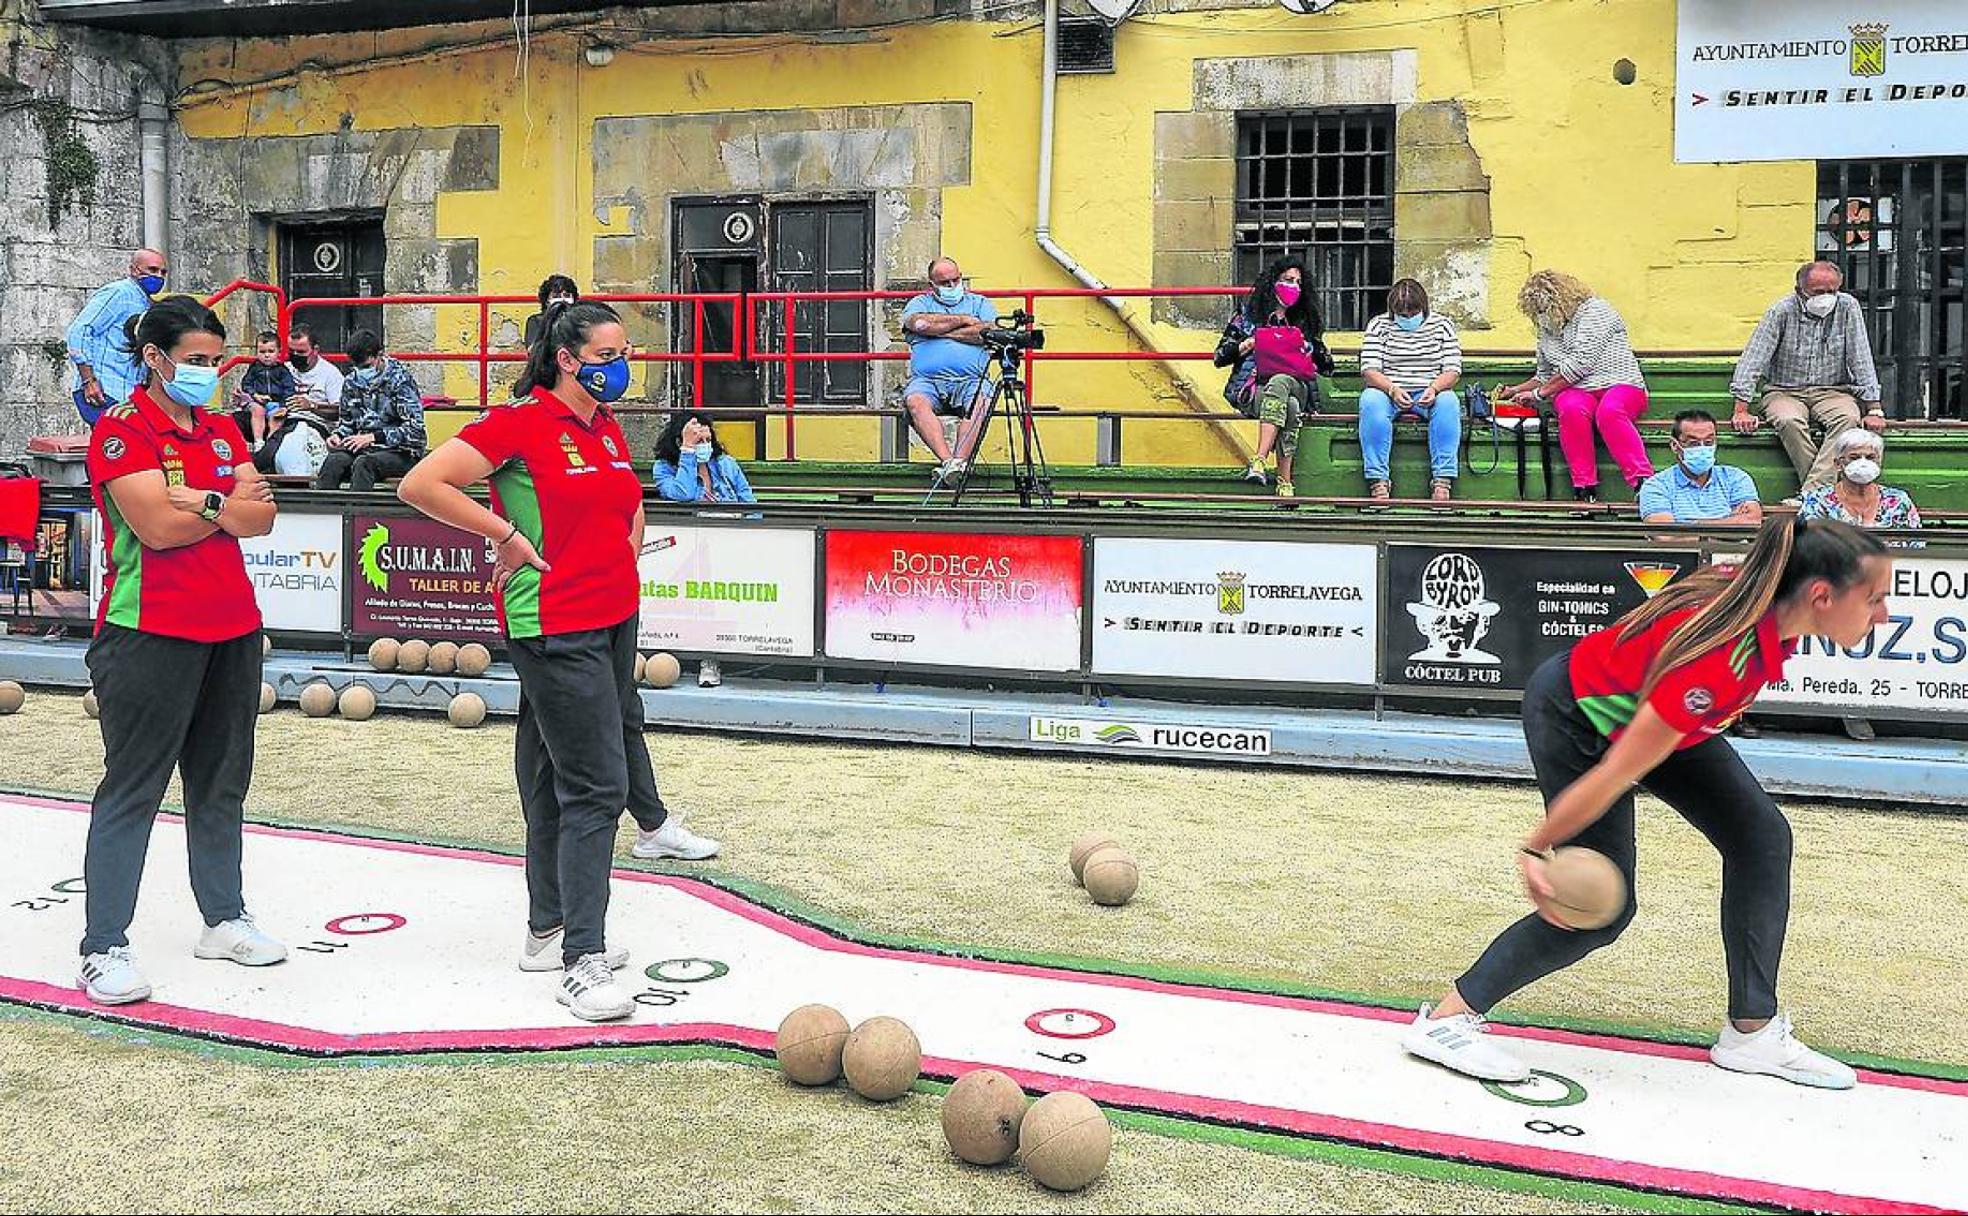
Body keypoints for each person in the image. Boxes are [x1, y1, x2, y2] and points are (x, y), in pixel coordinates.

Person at [1401, 516, 1890, 1091]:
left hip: (1657, 715)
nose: (1884, 615)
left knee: (1761, 838)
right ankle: (1447, 1020)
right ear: (1821, 595)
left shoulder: (1766, 607)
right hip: (1579, 717)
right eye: (1876, 600)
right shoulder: (1719, 659)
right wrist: (1537, 846)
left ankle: (1751, 1033)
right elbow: (1616, 773)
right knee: (1602, 909)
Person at [397, 301, 716, 1023]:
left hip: (611, 616)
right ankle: (582, 960)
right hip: (555, 622)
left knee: (548, 771)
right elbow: (422, 484)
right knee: (597, 786)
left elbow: (626, 508)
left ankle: (548, 932)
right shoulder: (520, 423)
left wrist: (626, 544)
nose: (620, 363)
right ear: (568, 358)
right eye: (607, 352)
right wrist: (503, 533)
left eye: (624, 350)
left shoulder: (603, 429)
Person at [78, 295, 283, 1006]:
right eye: (195, 360)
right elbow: (156, 530)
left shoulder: (225, 429)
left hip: (231, 629)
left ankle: (222, 917)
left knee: (220, 783)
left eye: (214, 360)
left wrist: (202, 499)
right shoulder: (120, 429)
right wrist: (219, 505)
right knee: (134, 789)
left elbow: (261, 517)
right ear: (155, 359)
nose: (209, 372)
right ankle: (103, 946)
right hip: (148, 633)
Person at [1730, 261, 1886, 495]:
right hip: (1784, 390)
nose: (1826, 297)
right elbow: (1755, 357)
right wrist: (1741, 408)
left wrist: (1874, 408)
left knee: (1848, 419)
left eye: (1832, 291)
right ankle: (1825, 493)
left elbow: (1860, 355)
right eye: (1818, 292)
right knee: (1789, 421)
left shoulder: (1848, 307)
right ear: (1799, 290)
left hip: (1833, 390)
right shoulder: (1780, 311)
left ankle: (1813, 494)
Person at [1499, 271, 1653, 503]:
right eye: (1536, 311)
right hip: (1578, 391)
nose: (1541, 316)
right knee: (1570, 409)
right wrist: (1515, 390)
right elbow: (1544, 374)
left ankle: (1643, 481)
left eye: (1544, 308)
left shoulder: (1596, 311)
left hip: (1620, 383)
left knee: (1610, 412)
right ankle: (1584, 487)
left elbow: (1581, 363)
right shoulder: (1546, 330)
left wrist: (1538, 394)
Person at [651, 409, 758, 690]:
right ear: (680, 441)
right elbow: (683, 494)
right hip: (690, 547)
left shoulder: (726, 464)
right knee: (697, 602)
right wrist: (688, 454)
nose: (704, 445)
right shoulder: (664, 468)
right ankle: (701, 657)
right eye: (696, 440)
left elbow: (750, 504)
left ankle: (718, 656)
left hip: (731, 541)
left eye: (706, 438)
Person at [1213, 255, 1334, 499]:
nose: (1294, 287)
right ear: (1273, 282)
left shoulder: (1303, 320)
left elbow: (1327, 367)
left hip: (1297, 385)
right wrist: (1247, 344)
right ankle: (1284, 482)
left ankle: (1259, 460)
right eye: (1288, 280)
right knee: (1288, 405)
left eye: (1298, 283)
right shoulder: (1248, 317)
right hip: (1255, 389)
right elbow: (1220, 357)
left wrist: (1309, 348)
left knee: (1281, 381)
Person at [1357, 278, 1462, 502]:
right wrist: (1392, 389)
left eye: (1412, 313)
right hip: (1388, 391)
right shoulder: (1378, 325)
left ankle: (1442, 480)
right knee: (1370, 402)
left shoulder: (1442, 326)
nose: (1407, 318)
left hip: (1430, 391)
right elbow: (1369, 369)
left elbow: (1452, 370)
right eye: (1401, 314)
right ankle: (1378, 480)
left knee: (1449, 403)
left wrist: (1434, 388)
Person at [900, 257, 997, 485]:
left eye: (956, 279)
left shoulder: (980, 303)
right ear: (932, 284)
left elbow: (987, 331)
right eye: (945, 282)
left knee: (981, 402)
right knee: (915, 402)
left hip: (972, 379)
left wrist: (941, 332)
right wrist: (962, 320)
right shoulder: (919, 303)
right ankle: (949, 463)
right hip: (928, 381)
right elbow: (918, 323)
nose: (952, 286)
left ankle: (958, 462)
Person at [65, 248, 168, 427]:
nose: (158, 276)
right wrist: (88, 381)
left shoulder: (145, 301)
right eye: (152, 270)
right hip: (104, 391)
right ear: (135, 270)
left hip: (128, 394)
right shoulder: (118, 293)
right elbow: (79, 331)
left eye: (163, 272)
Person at [313, 329, 426, 491]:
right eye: (356, 366)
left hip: (402, 452)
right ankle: (324, 512)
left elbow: (415, 431)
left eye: (366, 366)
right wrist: (338, 435)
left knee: (364, 464)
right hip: (363, 448)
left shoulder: (401, 382)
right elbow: (347, 422)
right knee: (334, 461)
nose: (361, 371)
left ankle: (357, 514)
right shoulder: (352, 381)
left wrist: (373, 437)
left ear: (380, 355)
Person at [1637, 410, 1762, 525]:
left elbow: (1753, 520)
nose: (1702, 448)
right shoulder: (1656, 485)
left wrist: (1692, 526)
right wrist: (1729, 523)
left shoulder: (1736, 478)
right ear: (1674, 446)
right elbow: (1666, 537)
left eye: (1709, 442)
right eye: (1693, 443)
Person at [1797, 429, 1921, 530]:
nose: (1863, 463)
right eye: (1854, 457)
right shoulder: (1818, 501)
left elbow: (1916, 544)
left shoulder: (1898, 501)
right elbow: (1807, 545)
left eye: (1870, 457)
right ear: (1838, 464)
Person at [231, 330, 298, 450]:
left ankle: (270, 442)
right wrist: (254, 394)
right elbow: (246, 383)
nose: (266, 355)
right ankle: (258, 441)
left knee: (277, 417)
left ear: (278, 352)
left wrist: (284, 405)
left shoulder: (282, 370)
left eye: (271, 351)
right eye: (262, 352)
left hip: (276, 402)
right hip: (258, 400)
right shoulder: (255, 368)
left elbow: (289, 389)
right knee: (258, 411)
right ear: (256, 352)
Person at [523, 275, 579, 348]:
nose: (562, 300)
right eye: (556, 296)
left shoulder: (579, 321)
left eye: (567, 295)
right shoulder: (536, 321)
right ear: (546, 301)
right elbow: (533, 349)